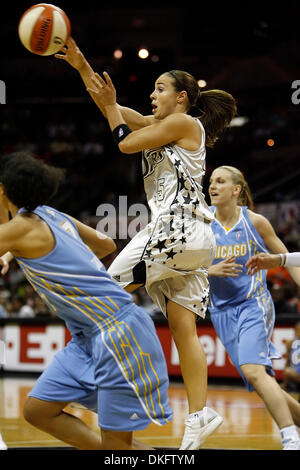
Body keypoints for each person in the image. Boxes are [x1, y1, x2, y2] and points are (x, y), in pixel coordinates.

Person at [55, 37, 237, 449]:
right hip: (194, 239)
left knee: (101, 296)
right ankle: (199, 414)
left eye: (160, 89)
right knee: (182, 326)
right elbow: (115, 110)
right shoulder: (163, 126)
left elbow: (121, 139)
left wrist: (112, 109)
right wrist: (84, 68)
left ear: (182, 98)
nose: (152, 95)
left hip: (176, 230)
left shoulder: (185, 124)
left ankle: (94, 389)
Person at [0, 152, 172, 450]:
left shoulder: (18, 229)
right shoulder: (50, 214)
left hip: (118, 334)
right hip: (88, 337)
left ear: (3, 189)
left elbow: (19, 234)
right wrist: (12, 252)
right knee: (38, 410)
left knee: (117, 448)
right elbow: (106, 244)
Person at [207, 165, 300, 450]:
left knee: (254, 372)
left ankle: (290, 439)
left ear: (236, 189)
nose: (212, 186)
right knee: (261, 380)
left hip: (252, 303)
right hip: (220, 312)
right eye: (211, 181)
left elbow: (287, 257)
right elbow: (183, 268)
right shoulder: (201, 223)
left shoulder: (254, 222)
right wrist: (210, 270)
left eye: (220, 181)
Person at [282, 321, 300, 397]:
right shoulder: (291, 343)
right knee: (287, 371)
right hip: (296, 374)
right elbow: (287, 363)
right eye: (298, 330)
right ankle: (287, 388)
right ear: (295, 331)